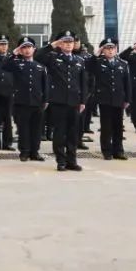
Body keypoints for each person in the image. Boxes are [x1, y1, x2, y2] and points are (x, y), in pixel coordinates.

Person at [35, 30, 88, 172]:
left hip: (74, 102)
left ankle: (72, 160)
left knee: (73, 133)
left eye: (71, 42)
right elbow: (37, 56)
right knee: (59, 133)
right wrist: (53, 45)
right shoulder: (52, 57)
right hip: (58, 101)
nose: (68, 45)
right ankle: (61, 161)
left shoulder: (79, 60)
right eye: (65, 42)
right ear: (60, 43)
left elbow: (83, 82)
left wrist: (82, 101)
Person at [85, 38, 131, 160]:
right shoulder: (98, 62)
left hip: (119, 99)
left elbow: (127, 83)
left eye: (112, 48)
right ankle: (107, 151)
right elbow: (88, 66)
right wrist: (96, 54)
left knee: (118, 127)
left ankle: (118, 151)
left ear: (116, 50)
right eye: (107, 48)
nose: (110, 51)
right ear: (103, 50)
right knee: (106, 127)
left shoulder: (123, 64)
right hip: (104, 99)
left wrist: (128, 99)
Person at [3, 36, 48, 162]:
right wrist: (14, 53)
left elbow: (45, 85)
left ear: (34, 49)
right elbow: (4, 66)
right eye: (24, 48)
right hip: (21, 102)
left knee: (37, 129)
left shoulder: (40, 66)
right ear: (20, 50)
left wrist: (46, 100)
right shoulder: (16, 64)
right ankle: (24, 152)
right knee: (23, 129)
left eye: (29, 47)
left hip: (37, 102)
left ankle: (35, 152)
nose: (27, 50)